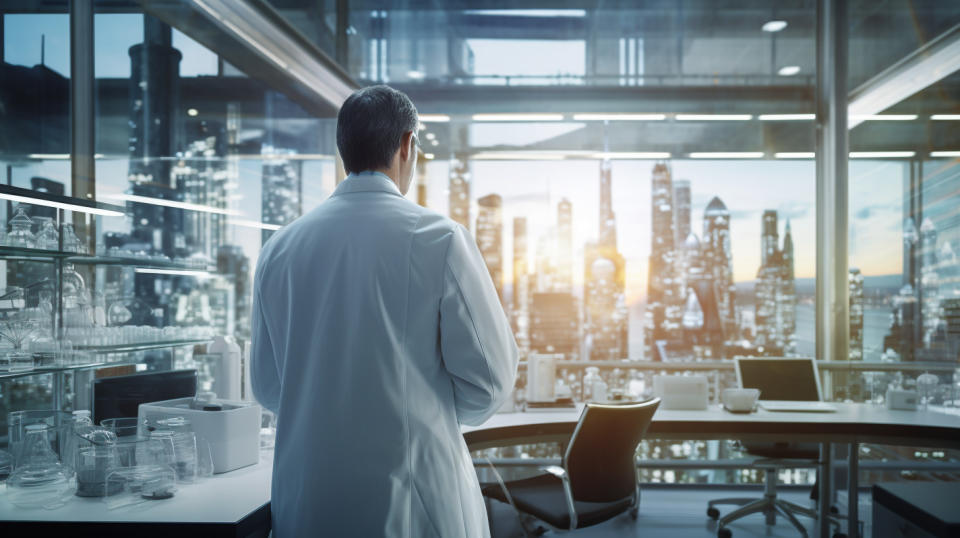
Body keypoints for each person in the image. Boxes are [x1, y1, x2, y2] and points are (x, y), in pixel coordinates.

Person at [251, 85, 518, 537]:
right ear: (407, 145)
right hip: (414, 499)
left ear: (343, 149)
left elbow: (269, 387)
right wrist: (420, 407)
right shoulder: (438, 237)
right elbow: (490, 383)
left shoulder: (280, 247)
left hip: (311, 498)